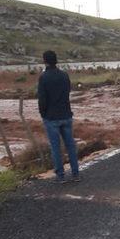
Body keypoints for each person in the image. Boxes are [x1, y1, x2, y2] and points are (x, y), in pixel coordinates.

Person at [37, 50, 80, 183]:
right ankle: (75, 173)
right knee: (70, 146)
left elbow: (42, 99)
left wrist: (43, 114)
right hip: (66, 114)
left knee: (56, 148)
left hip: (51, 117)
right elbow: (68, 92)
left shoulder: (43, 77)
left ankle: (60, 175)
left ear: (45, 61)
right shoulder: (64, 75)